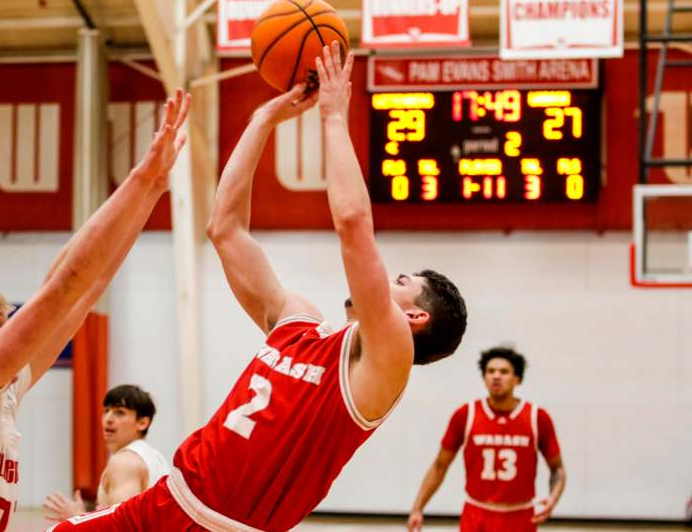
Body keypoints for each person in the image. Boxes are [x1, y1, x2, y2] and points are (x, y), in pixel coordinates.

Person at [49, 42, 466, 532]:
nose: (384, 278)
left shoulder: (388, 360)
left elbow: (353, 224)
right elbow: (225, 229)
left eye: (401, 283)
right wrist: (262, 119)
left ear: (416, 318)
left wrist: (334, 117)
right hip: (166, 504)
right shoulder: (300, 325)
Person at [0, 90, 191, 531]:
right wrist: (140, 179)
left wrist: (152, 195)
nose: (13, 329)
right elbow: (63, 286)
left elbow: (83, 291)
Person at [407, 347, 567, 532]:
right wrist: (417, 508)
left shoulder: (537, 417)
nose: (496, 376)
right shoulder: (466, 415)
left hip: (520, 515)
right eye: (490, 371)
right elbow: (439, 466)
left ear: (518, 379)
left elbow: (558, 469)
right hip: (477, 514)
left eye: (504, 371)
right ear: (484, 378)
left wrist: (553, 499)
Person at [44, 385, 169, 521]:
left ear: (142, 423)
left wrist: (77, 519)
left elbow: (122, 526)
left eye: (119, 412)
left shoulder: (125, 462)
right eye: (106, 411)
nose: (108, 419)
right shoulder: (154, 457)